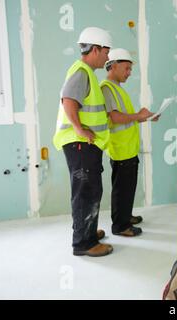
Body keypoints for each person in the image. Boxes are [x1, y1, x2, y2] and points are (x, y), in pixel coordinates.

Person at [53, 27, 113, 257]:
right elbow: (69, 101)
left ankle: (87, 232)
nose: (108, 57)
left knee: (91, 189)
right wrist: (80, 129)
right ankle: (83, 243)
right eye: (106, 52)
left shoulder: (86, 73)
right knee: (85, 191)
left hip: (86, 145)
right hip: (80, 144)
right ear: (95, 49)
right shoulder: (81, 72)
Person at [100, 48, 159, 237]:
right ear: (114, 66)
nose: (129, 73)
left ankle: (126, 216)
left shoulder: (117, 89)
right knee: (122, 189)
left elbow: (128, 118)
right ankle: (120, 226)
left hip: (128, 147)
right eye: (126, 68)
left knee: (128, 187)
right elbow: (116, 118)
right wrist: (138, 115)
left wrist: (145, 117)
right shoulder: (107, 88)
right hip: (120, 148)